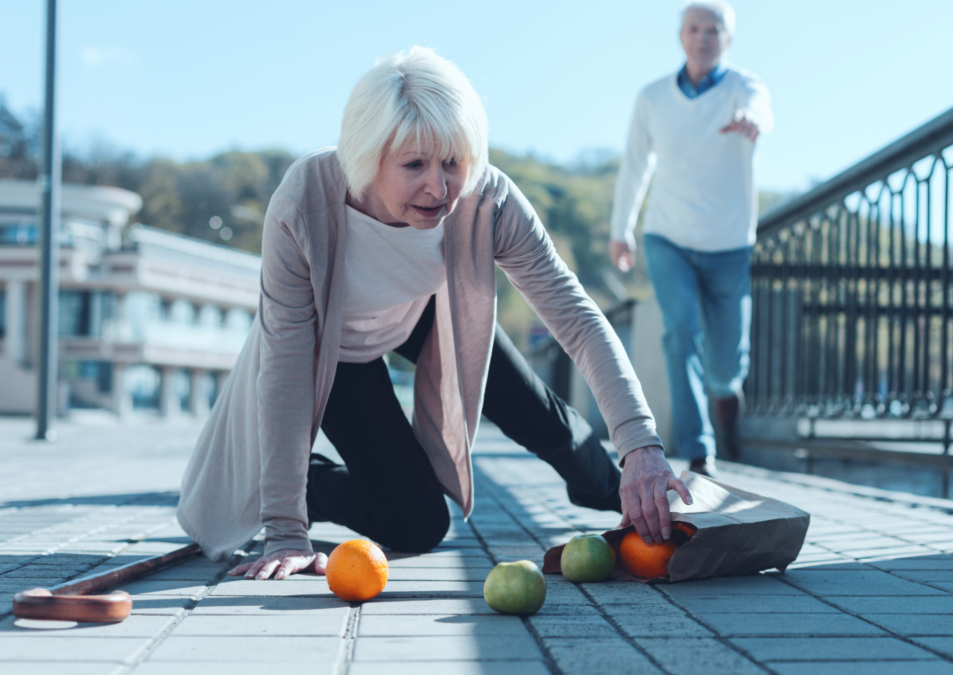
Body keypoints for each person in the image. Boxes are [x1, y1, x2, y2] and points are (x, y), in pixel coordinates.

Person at [177, 46, 691, 581]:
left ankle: (636, 498)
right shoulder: (304, 202)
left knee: (550, 424)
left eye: (452, 162)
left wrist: (641, 447)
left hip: (425, 313)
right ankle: (309, 483)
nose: (439, 187)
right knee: (417, 525)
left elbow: (578, 321)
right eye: (414, 165)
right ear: (367, 156)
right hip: (333, 347)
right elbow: (285, 367)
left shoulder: (488, 199)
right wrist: (286, 526)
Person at [609, 1, 772, 475]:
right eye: (694, 28)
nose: (703, 37)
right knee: (679, 333)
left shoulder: (746, 88)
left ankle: (727, 405)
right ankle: (699, 452)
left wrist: (753, 120)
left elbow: (761, 111)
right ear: (682, 36)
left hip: (729, 243)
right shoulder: (653, 97)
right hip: (668, 237)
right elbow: (635, 166)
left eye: (713, 30)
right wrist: (622, 230)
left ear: (728, 39)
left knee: (725, 367)